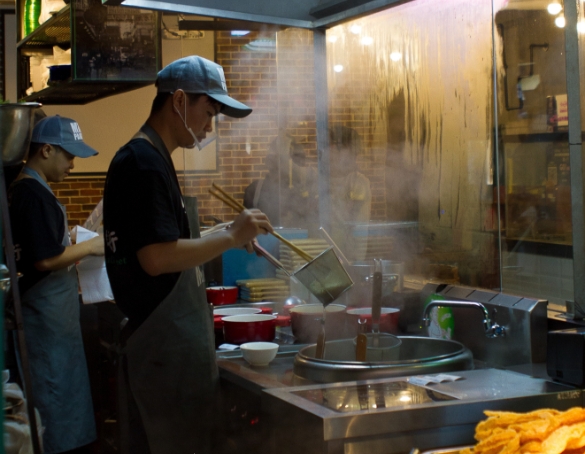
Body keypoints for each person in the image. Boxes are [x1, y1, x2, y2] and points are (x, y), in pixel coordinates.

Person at [102, 55, 273, 454]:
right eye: (209, 112)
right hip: (163, 357)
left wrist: (220, 234)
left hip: (170, 358)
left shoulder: (152, 157)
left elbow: (165, 241)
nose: (210, 126)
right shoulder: (143, 162)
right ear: (179, 100)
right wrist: (230, 235)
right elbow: (156, 258)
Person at [8, 115, 104, 453]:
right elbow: (45, 260)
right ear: (46, 150)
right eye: (69, 156)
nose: (73, 165)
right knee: (52, 404)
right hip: (44, 323)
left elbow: (44, 246)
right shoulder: (32, 193)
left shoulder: (29, 190)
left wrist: (70, 239)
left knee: (59, 398)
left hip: (53, 322)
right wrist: (91, 246)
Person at [244, 134, 318, 234]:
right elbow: (246, 230)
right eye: (274, 158)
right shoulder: (254, 191)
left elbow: (313, 226)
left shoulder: (307, 191)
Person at [329, 125, 372, 261]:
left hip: (349, 257)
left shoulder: (357, 181)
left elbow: (346, 218)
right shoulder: (328, 179)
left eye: (332, 146)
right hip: (333, 255)